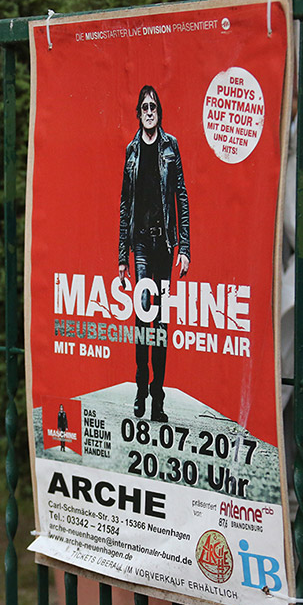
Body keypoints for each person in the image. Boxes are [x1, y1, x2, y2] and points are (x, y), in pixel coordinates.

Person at [117, 84, 191, 423]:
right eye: (144, 106)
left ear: (159, 112)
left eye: (154, 107)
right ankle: (140, 389)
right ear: (138, 112)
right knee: (143, 318)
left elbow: (182, 198)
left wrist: (185, 248)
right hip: (141, 246)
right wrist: (122, 257)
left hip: (165, 245)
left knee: (160, 324)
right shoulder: (132, 151)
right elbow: (124, 206)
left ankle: (158, 399)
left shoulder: (170, 147)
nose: (149, 111)